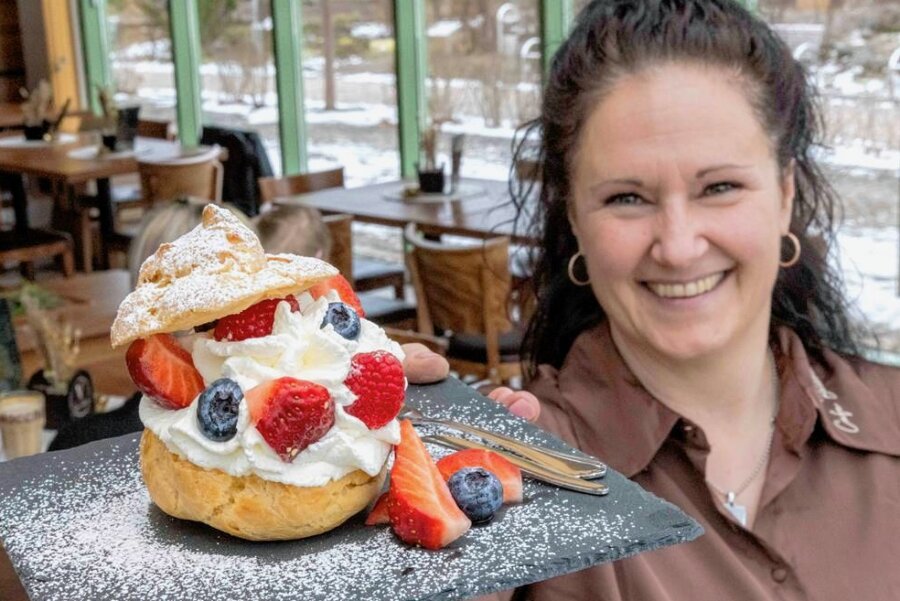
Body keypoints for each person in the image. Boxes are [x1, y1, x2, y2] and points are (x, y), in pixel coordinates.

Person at [410, 1, 900, 599]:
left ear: (785, 195)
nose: (678, 245)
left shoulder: (890, 415)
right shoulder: (510, 474)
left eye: (719, 187)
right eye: (627, 198)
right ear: (575, 220)